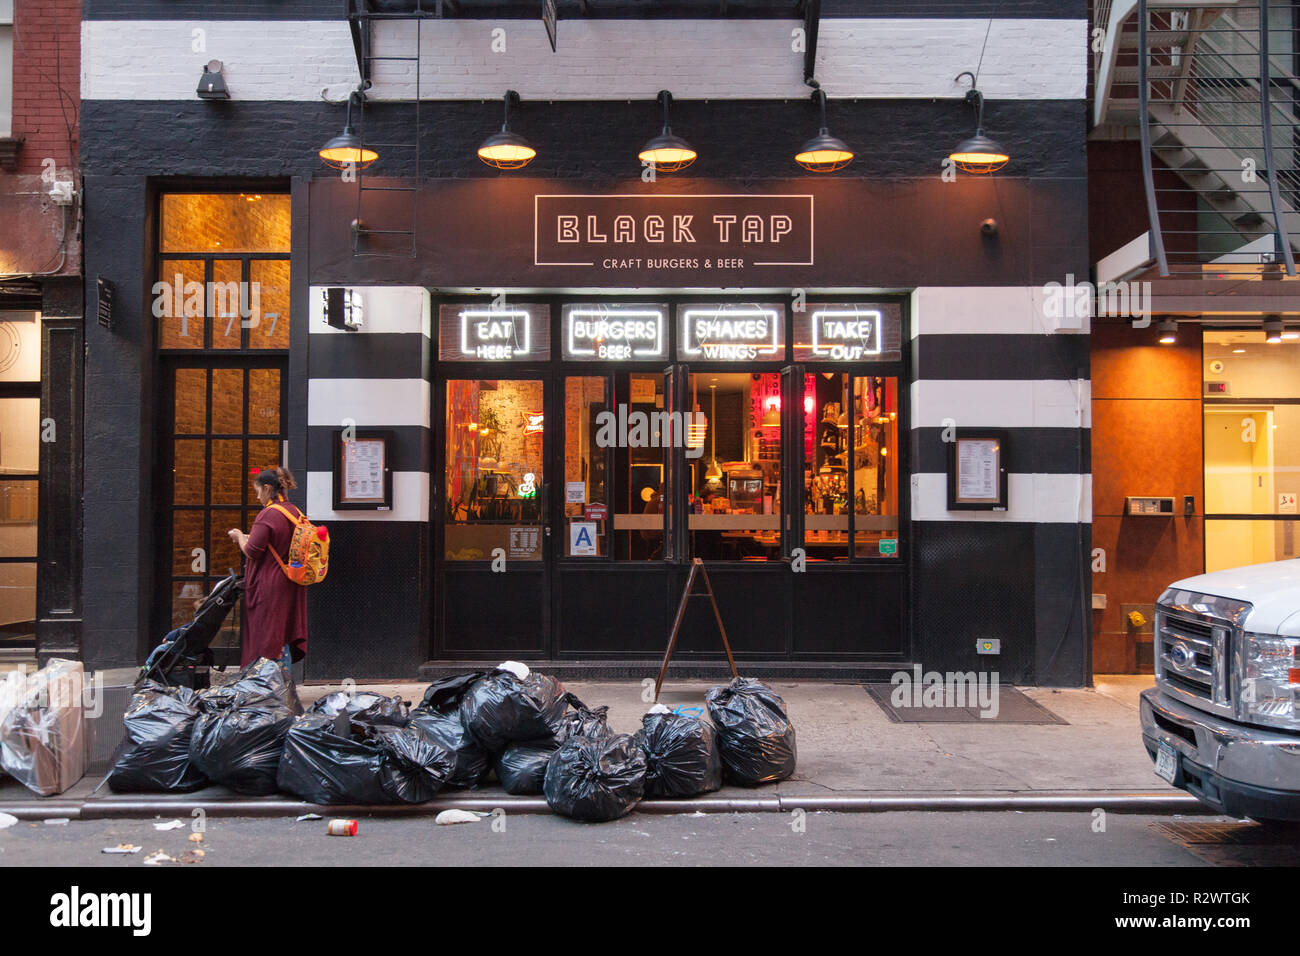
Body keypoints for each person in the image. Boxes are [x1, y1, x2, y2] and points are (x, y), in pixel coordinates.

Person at [227, 466, 308, 670]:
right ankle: (282, 682)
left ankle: (267, 684)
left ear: (266, 488)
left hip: (270, 585)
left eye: (257, 492)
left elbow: (253, 551)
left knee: (268, 636)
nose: (257, 497)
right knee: (281, 634)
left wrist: (238, 536)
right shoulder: (294, 511)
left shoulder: (268, 514)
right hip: (290, 582)